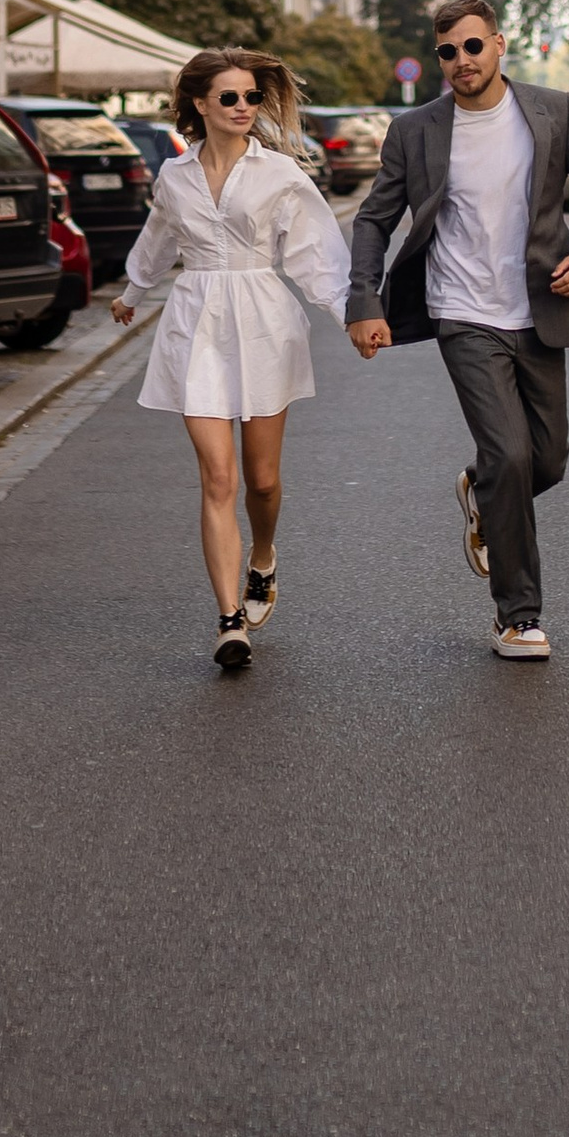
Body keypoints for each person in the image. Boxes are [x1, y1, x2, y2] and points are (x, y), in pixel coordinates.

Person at [344, 0, 569, 660]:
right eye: (448, 51)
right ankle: (518, 614)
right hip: (462, 312)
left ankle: (482, 488)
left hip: (540, 307)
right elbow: (372, 219)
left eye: (473, 46)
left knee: (547, 457)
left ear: (498, 45)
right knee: (511, 452)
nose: (461, 61)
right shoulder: (415, 129)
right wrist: (364, 300)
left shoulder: (552, 110)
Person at [111, 46, 351, 675]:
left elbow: (315, 254)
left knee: (262, 481)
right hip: (195, 323)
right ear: (200, 104)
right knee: (218, 480)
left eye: (251, 96)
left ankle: (263, 556)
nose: (244, 107)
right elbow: (159, 239)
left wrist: (351, 316)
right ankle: (228, 620)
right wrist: (134, 292)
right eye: (230, 98)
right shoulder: (175, 176)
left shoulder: (281, 175)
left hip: (264, 321)